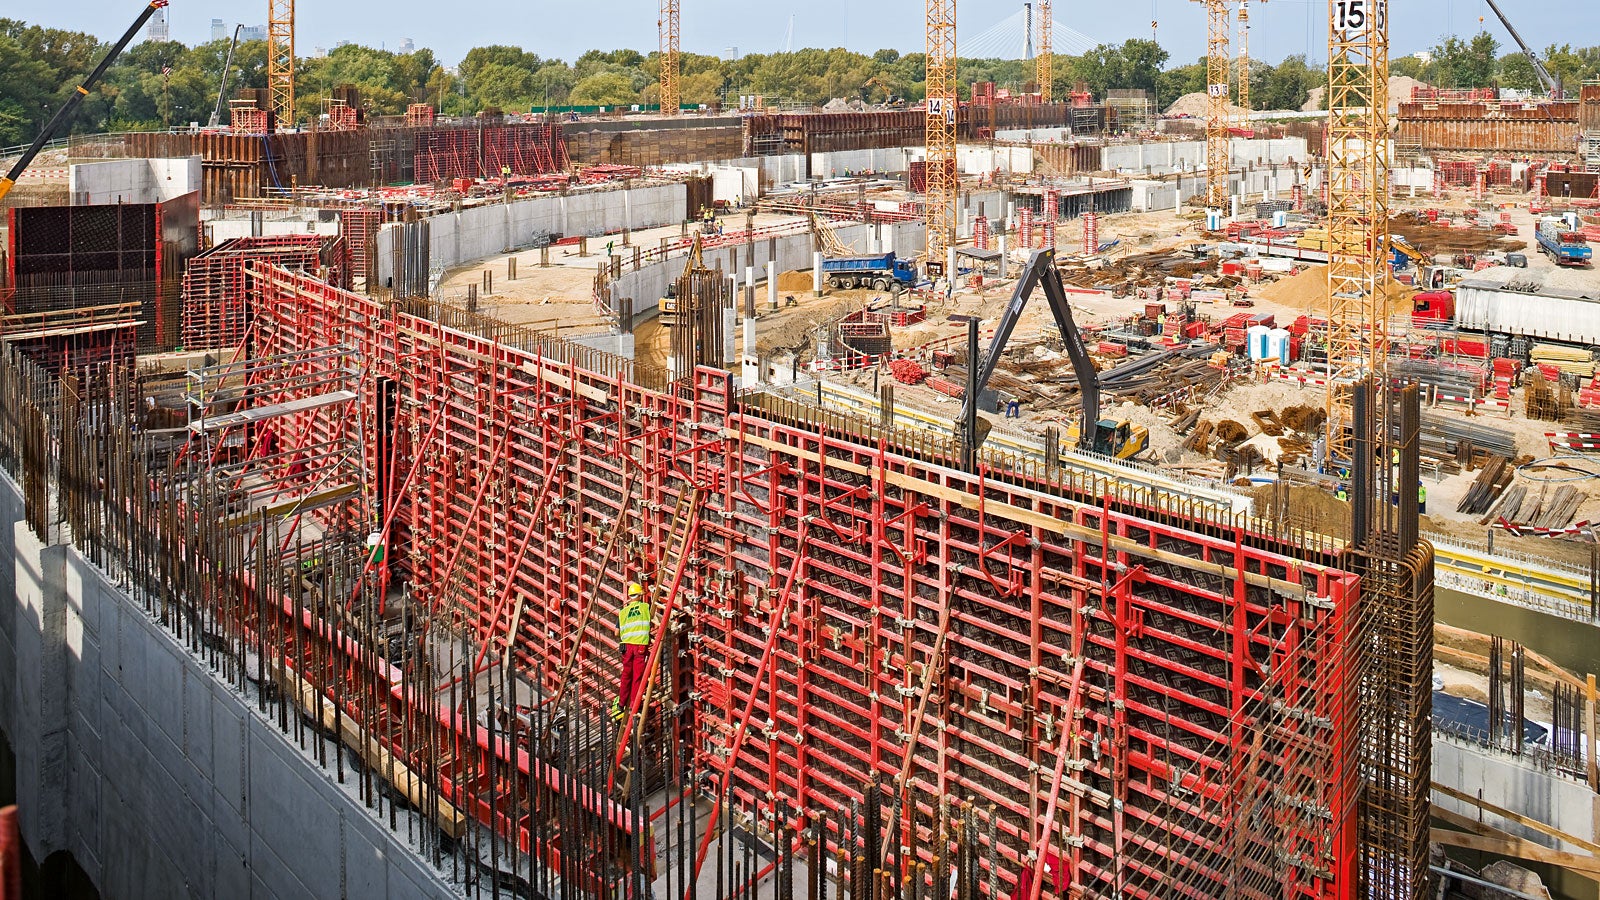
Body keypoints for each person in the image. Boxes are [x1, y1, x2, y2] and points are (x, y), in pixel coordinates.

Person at [611, 581, 652, 721]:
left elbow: (616, 633)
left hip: (627, 647)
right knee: (638, 677)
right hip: (640, 646)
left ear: (629, 597)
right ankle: (634, 705)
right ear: (640, 596)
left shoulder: (623, 613)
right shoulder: (646, 607)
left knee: (626, 675)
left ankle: (622, 704)